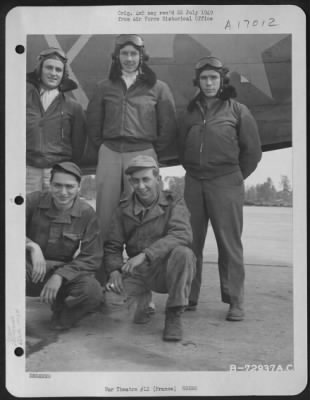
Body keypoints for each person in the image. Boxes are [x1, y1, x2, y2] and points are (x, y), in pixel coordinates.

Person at [178, 56, 262, 321]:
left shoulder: (238, 111)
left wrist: (234, 177)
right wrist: (196, 170)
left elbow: (252, 153)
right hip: (194, 182)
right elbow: (181, 148)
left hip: (226, 182)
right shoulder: (190, 112)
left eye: (214, 77)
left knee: (229, 244)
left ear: (222, 80)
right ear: (198, 81)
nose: (209, 82)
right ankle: (188, 296)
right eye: (204, 78)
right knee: (191, 242)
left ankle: (234, 300)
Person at [86, 34, 177, 246]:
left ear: (142, 56)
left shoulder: (158, 88)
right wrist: (104, 146)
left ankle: (141, 267)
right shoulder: (104, 87)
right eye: (124, 53)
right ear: (117, 57)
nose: (129, 58)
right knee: (105, 211)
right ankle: (102, 271)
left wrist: (152, 151)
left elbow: (168, 124)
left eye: (133, 54)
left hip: (142, 152)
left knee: (143, 210)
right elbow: (93, 121)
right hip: (110, 151)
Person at [104, 155, 196, 342]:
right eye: (135, 181)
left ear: (158, 179)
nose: (141, 186)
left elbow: (182, 234)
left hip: (166, 269)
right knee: (112, 303)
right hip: (138, 272)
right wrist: (114, 270)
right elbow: (113, 245)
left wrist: (146, 254)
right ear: (130, 182)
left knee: (184, 254)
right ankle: (143, 303)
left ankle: (174, 313)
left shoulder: (173, 202)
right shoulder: (123, 208)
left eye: (146, 179)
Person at [26, 162, 103, 330]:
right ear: (50, 184)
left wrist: (60, 275)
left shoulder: (86, 213)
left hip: (61, 274)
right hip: (29, 269)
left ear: (78, 188)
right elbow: (8, 228)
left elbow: (92, 257)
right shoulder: (33, 201)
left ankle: (62, 314)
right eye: (57, 185)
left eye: (69, 186)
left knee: (93, 292)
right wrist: (32, 246)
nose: (63, 192)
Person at [26, 47, 86, 194]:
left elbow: (78, 146)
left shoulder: (74, 107)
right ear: (40, 70)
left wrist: (66, 170)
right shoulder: (22, 100)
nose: (53, 73)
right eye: (49, 68)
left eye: (58, 70)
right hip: (27, 170)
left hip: (58, 171)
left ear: (63, 74)